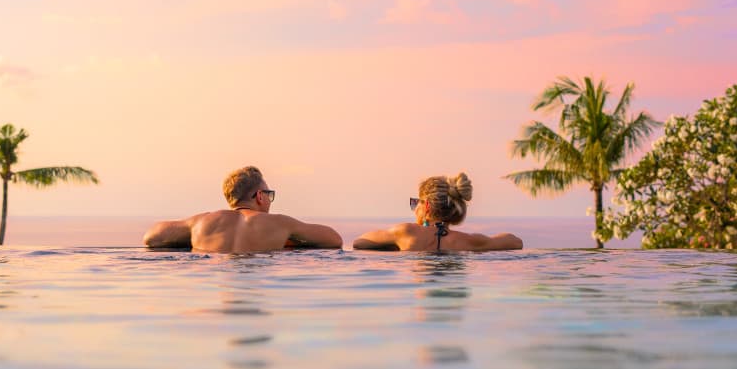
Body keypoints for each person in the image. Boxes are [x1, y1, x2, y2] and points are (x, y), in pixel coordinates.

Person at [143, 166, 343, 252]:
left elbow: (151, 237)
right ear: (259, 196)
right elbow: (335, 240)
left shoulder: (201, 222)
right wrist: (292, 240)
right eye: (269, 194)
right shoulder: (280, 224)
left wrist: (192, 237)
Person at [353, 173, 523, 251]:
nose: (414, 209)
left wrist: (393, 245)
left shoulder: (406, 232)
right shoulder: (470, 242)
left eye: (415, 204)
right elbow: (515, 242)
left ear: (426, 206)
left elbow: (359, 242)